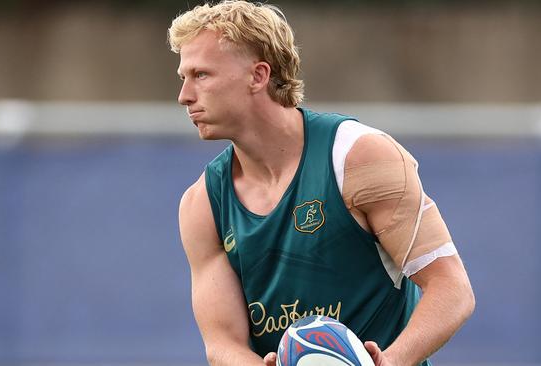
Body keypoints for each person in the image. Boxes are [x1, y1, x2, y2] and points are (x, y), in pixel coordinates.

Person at [169, 1, 475, 365]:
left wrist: (390, 361)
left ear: (258, 75)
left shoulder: (359, 157)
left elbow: (452, 288)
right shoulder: (202, 203)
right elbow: (221, 344)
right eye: (183, 78)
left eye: (201, 75)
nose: (184, 96)